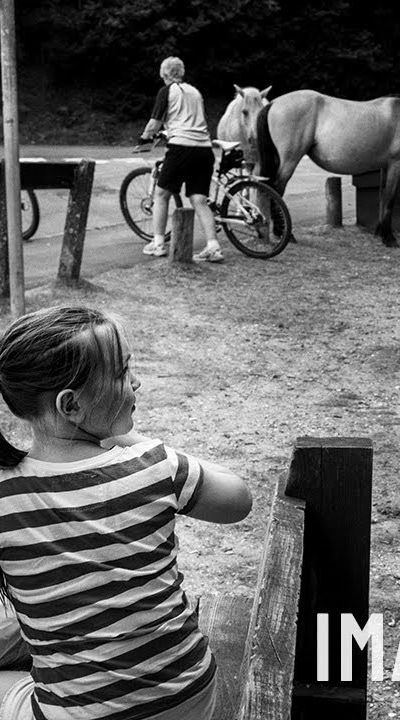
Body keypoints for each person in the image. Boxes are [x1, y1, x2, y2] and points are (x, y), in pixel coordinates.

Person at [0, 305, 252, 719]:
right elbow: (238, 500)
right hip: (189, 695)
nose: (137, 382)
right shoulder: (154, 464)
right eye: (122, 374)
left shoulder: (7, 494)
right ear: (71, 406)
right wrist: (138, 441)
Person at [137, 57, 225, 262]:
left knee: (161, 194)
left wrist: (144, 138)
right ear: (181, 72)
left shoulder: (167, 91)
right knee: (199, 200)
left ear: (164, 74)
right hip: (204, 148)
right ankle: (213, 246)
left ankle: (158, 243)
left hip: (181, 148)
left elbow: (154, 123)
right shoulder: (195, 92)